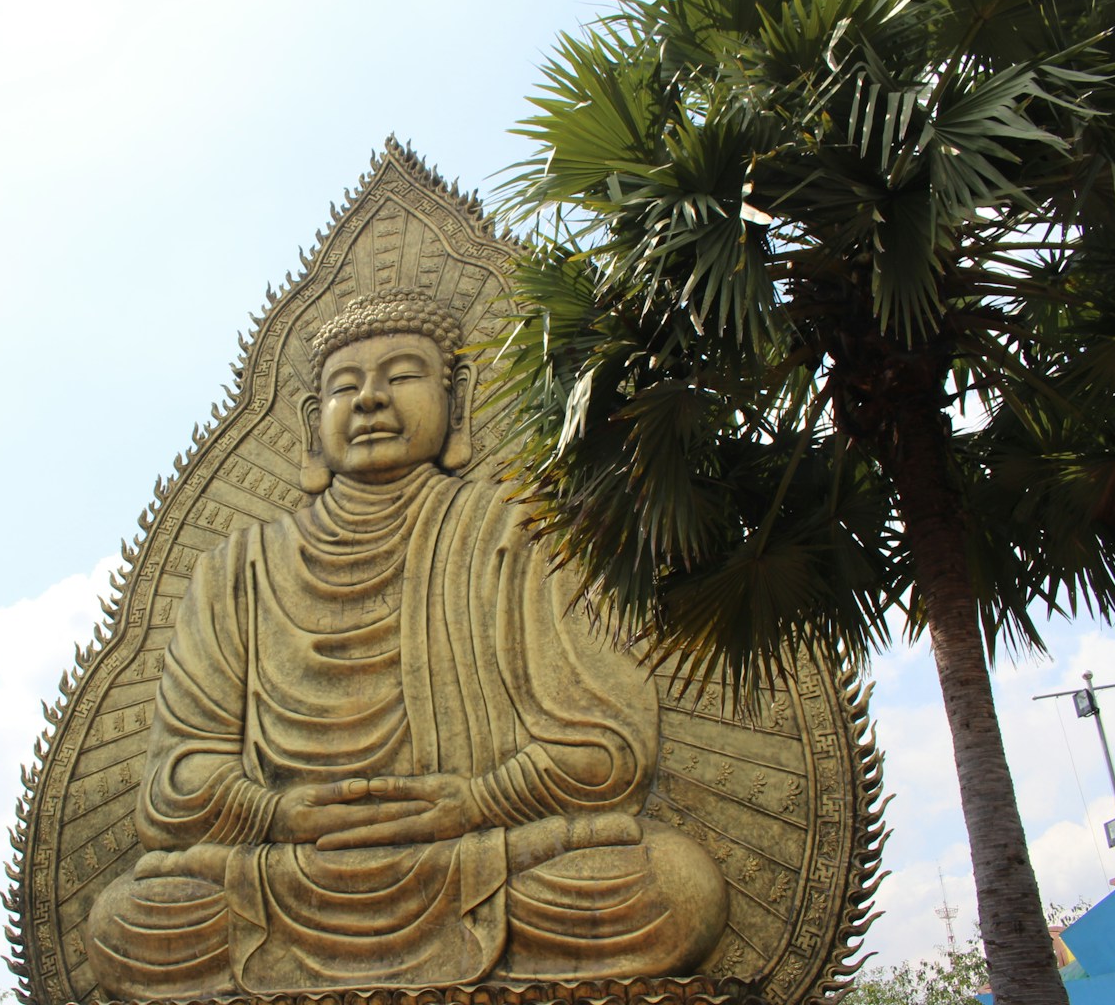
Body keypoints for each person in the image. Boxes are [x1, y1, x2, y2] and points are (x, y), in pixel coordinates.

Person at [86, 289, 727, 1000]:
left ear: (458, 402)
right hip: (282, 880)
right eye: (344, 386)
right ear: (310, 423)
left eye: (401, 375)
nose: (369, 400)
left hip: (478, 859)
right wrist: (274, 813)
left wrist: (476, 802)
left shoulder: (516, 532)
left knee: (674, 885)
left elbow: (609, 754)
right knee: (123, 922)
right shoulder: (234, 571)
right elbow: (175, 785)